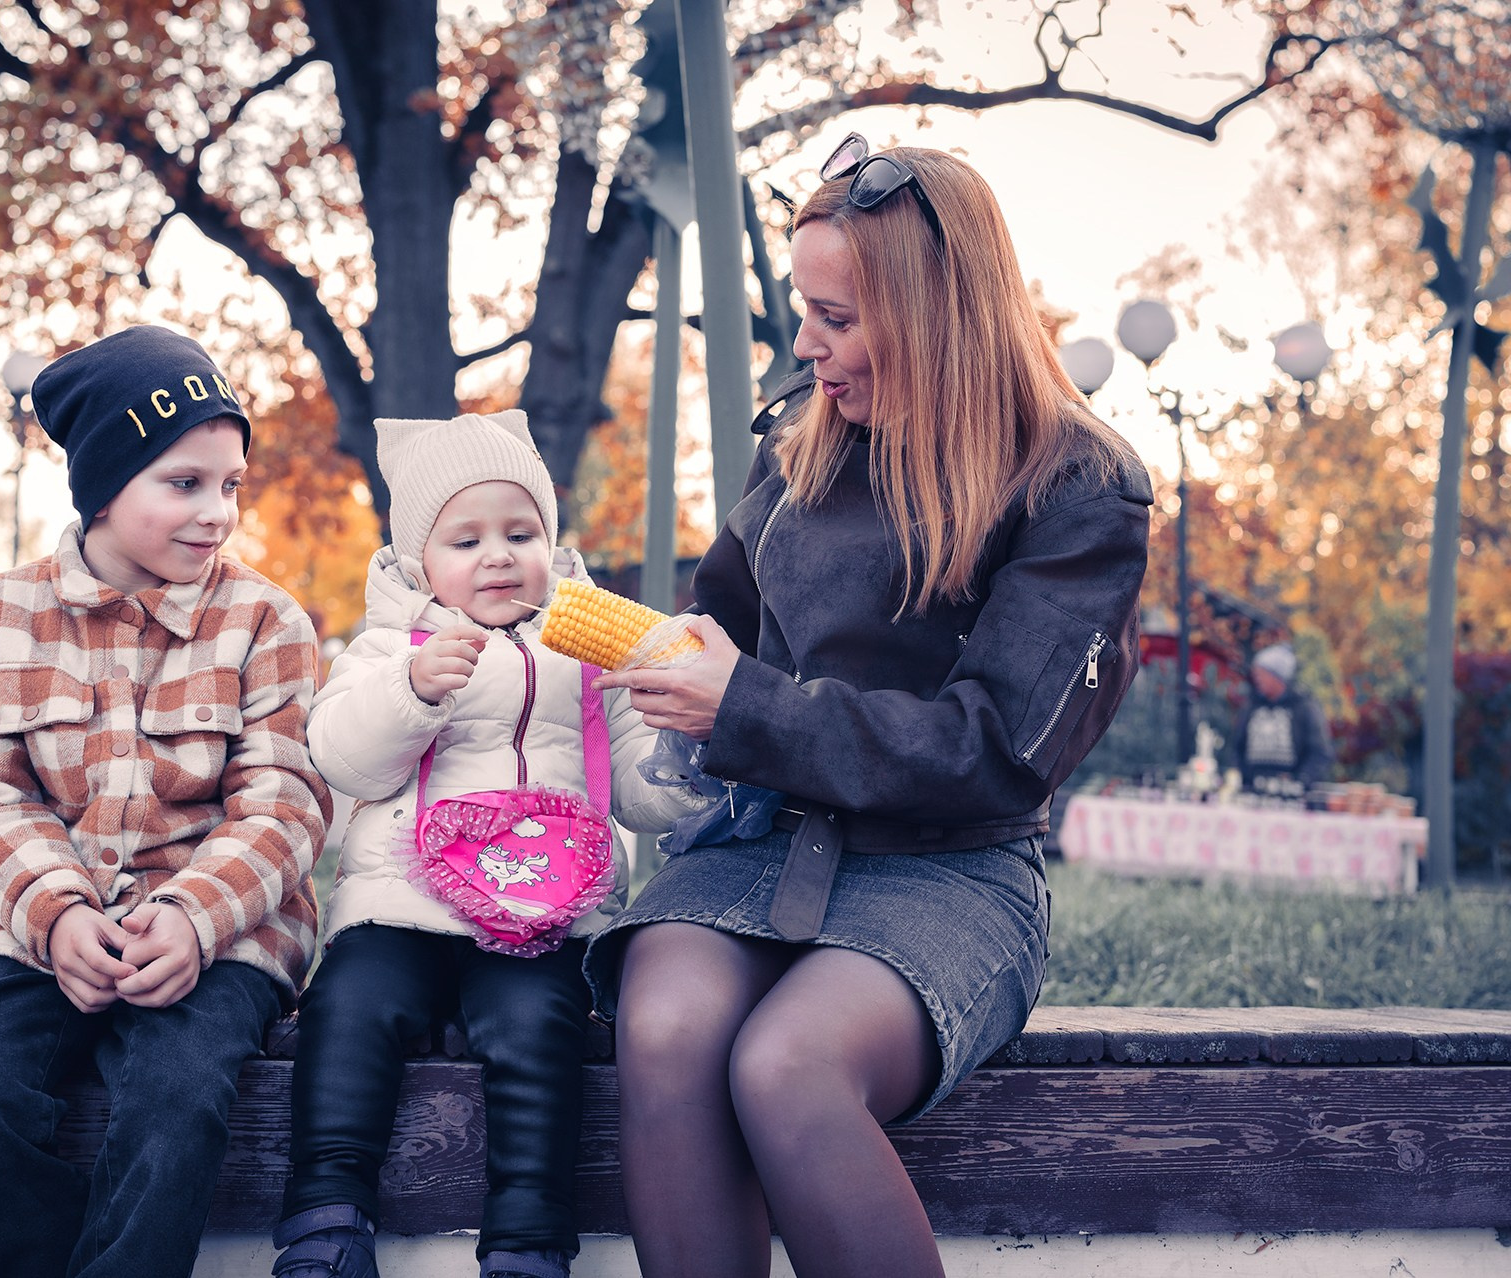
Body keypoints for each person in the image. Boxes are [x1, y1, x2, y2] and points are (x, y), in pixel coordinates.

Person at [584, 139, 1153, 1278]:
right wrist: (661, 688)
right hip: (757, 844)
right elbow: (722, 625)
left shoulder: (1082, 486)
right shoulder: (798, 444)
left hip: (948, 869)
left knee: (786, 1065)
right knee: (664, 1025)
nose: (805, 346)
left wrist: (741, 703)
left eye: (834, 318)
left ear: (935, 314)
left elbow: (994, 754)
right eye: (804, 310)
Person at [0, 325, 333, 1278]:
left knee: (175, 1097)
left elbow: (285, 799)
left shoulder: (266, 620)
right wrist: (55, 916)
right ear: (102, 486)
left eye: (231, 486)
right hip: (32, 930)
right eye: (184, 483)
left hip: (220, 936)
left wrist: (192, 915)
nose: (217, 512)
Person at [272, 411, 702, 1278]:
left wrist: (688, 753)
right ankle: (326, 1215)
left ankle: (528, 1239)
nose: (499, 555)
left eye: (521, 531)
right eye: (465, 539)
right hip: (402, 905)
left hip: (544, 907)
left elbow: (637, 791)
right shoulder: (390, 647)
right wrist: (411, 694)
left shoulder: (589, 656)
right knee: (349, 1010)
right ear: (417, 561)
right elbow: (344, 757)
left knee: (538, 1026)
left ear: (553, 539)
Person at [1227, 642, 1333, 794]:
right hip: (1252, 792)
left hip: (1293, 795)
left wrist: (1301, 781)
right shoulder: (1251, 705)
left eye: (1262, 673)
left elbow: (1320, 752)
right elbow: (1237, 746)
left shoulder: (1304, 706)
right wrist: (1240, 776)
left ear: (1278, 676)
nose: (1257, 678)